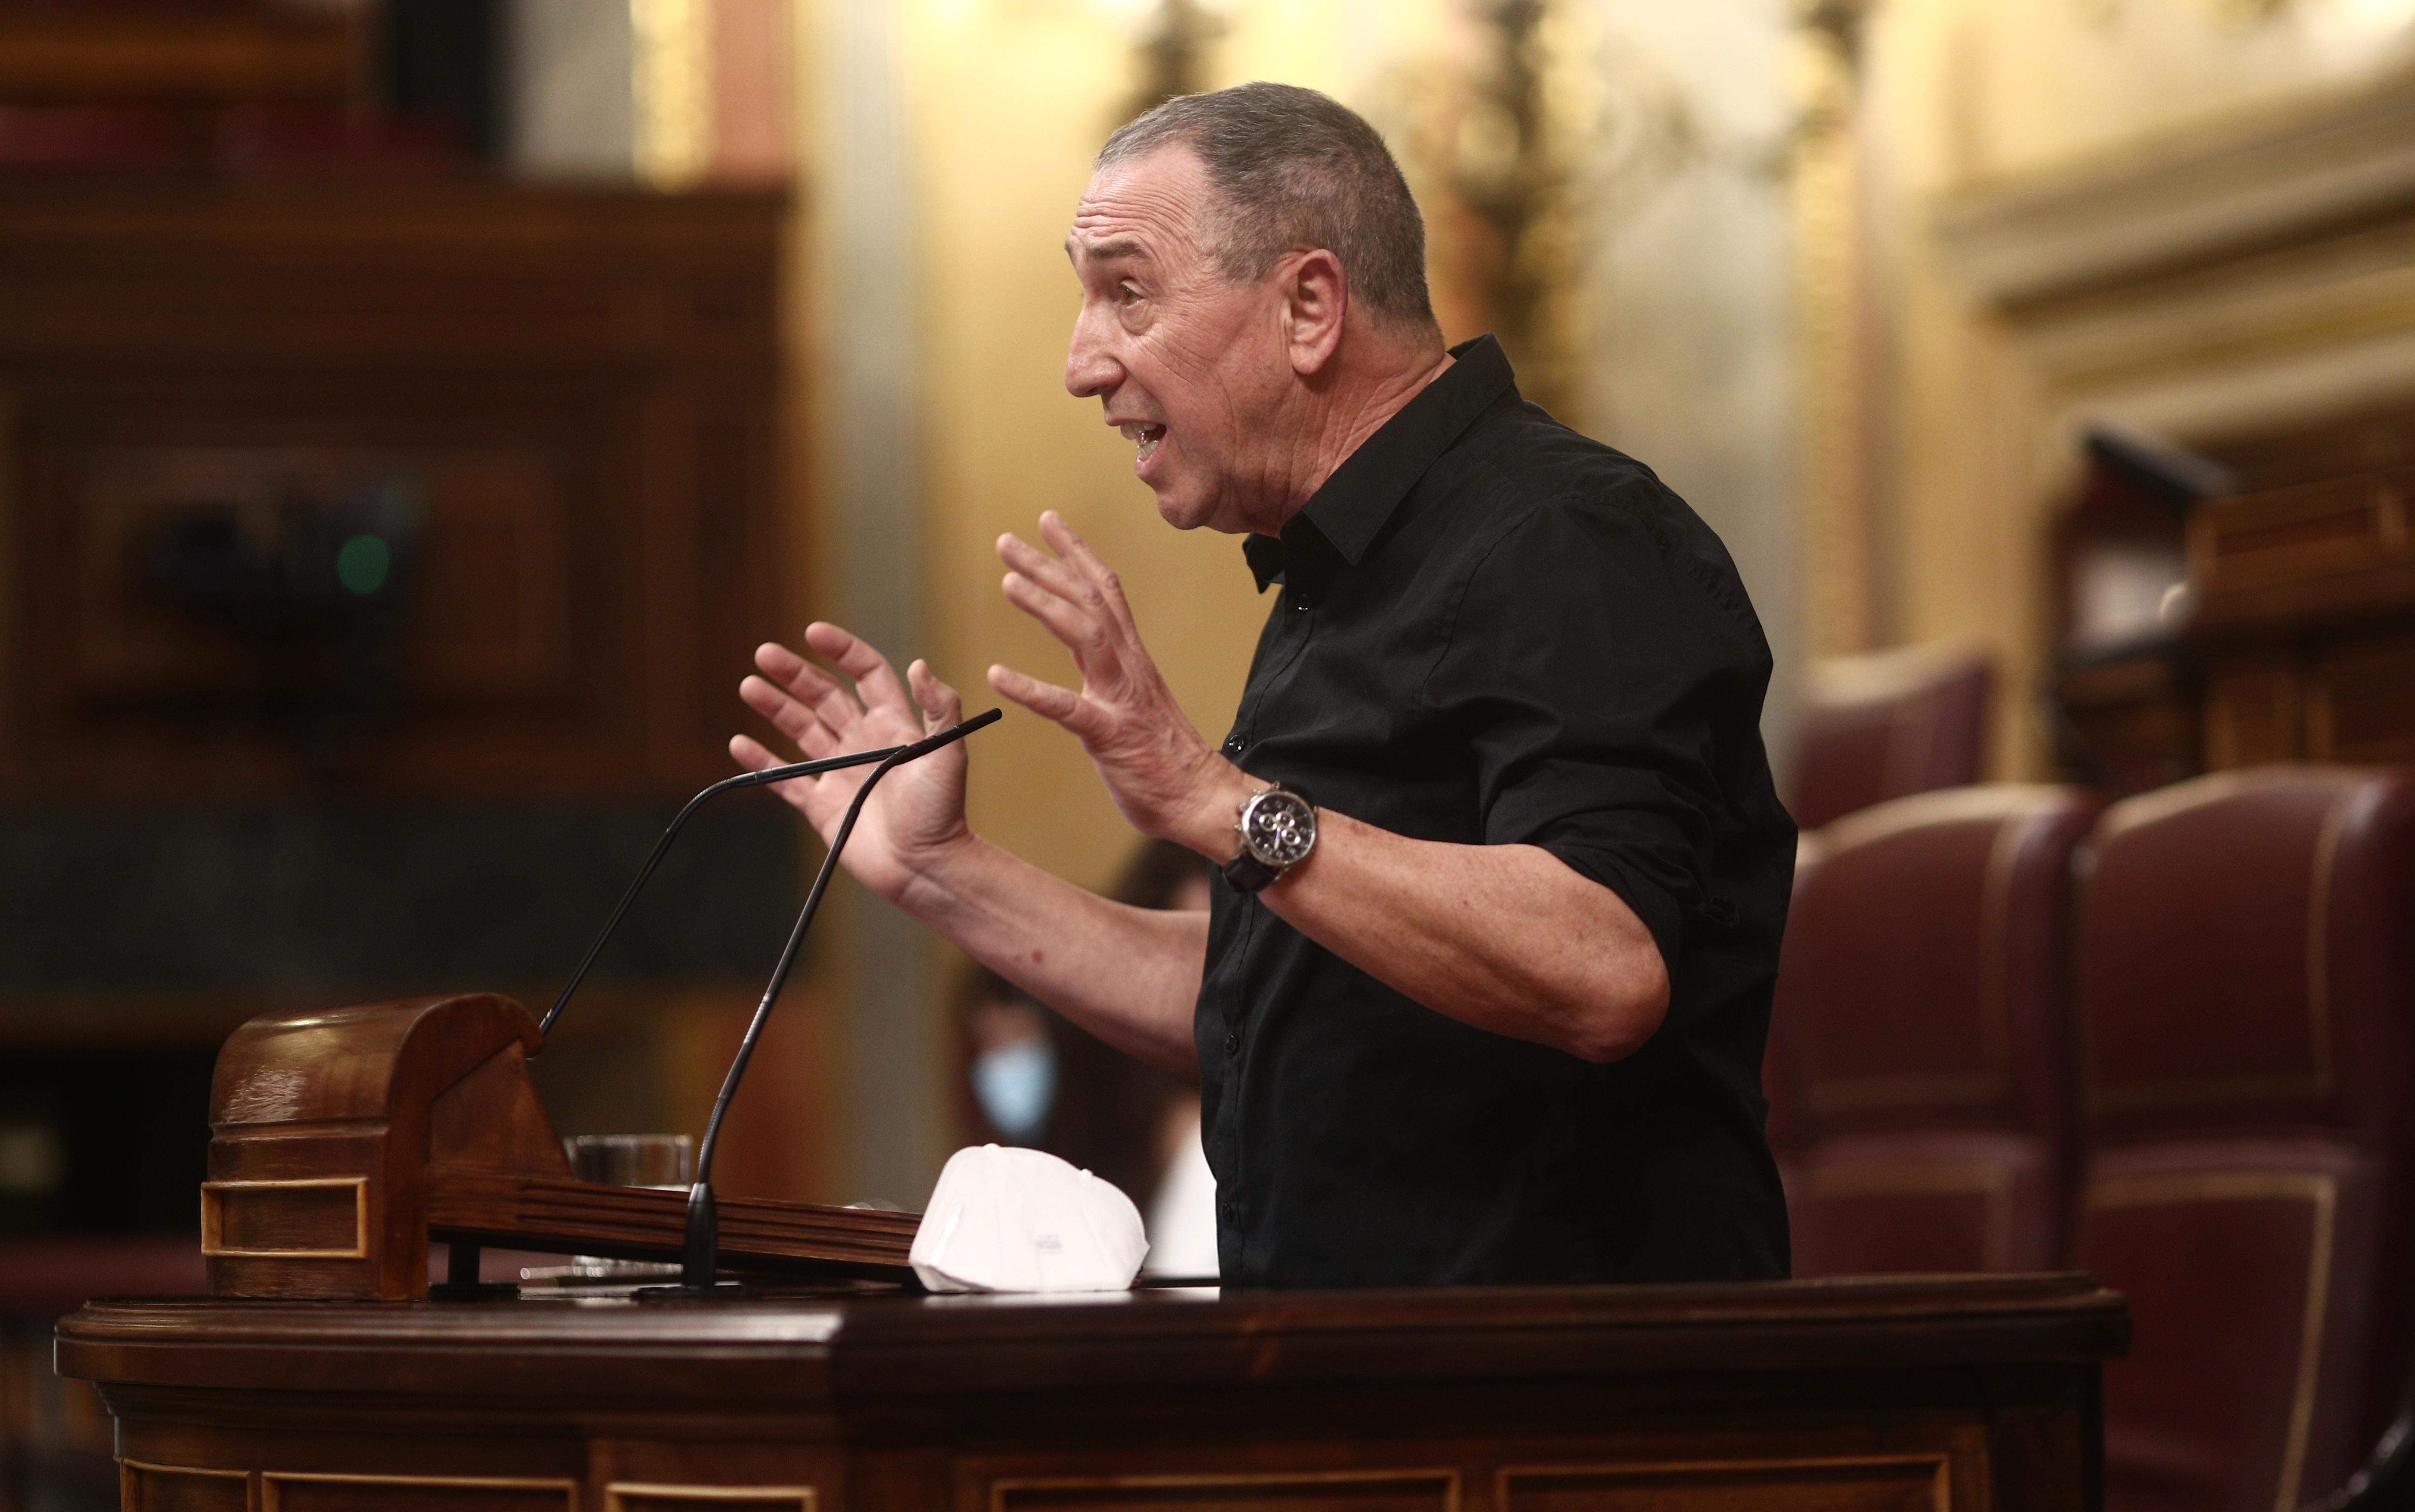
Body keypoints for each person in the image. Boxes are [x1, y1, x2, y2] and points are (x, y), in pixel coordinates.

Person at [733, 82, 1794, 1287]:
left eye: (1125, 292)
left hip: (1560, 1409)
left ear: (1307, 306)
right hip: (1353, 1385)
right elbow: (1279, 1007)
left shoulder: (1565, 536)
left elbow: (1601, 967)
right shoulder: (1339, 575)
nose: (1082, 363)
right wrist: (943, 874)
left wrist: (1217, 803)